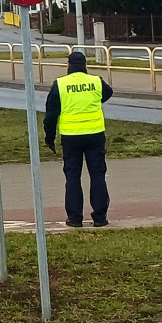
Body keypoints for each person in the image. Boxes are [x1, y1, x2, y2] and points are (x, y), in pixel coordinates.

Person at [43, 51, 113, 228]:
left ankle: (75, 219)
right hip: (95, 135)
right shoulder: (96, 82)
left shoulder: (60, 84)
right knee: (98, 175)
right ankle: (100, 217)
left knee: (72, 177)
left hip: (71, 138)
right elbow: (108, 93)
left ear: (68, 66)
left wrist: (49, 138)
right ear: (85, 66)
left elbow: (51, 115)